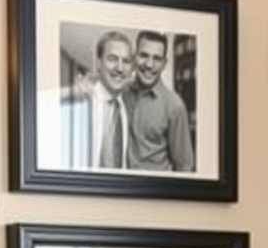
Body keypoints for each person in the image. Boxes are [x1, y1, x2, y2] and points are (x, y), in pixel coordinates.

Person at [123, 30, 194, 172]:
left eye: (157, 59)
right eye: (144, 55)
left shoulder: (175, 105)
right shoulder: (122, 92)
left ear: (164, 64)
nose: (149, 64)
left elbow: (184, 166)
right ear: (135, 57)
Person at [66, 30, 133, 169]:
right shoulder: (81, 99)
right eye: (112, 59)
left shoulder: (124, 106)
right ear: (99, 63)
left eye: (125, 61)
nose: (120, 68)